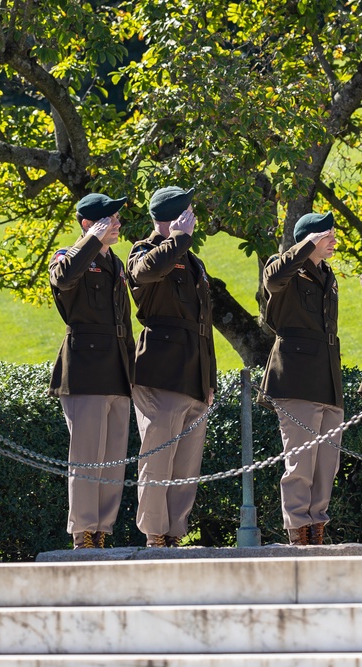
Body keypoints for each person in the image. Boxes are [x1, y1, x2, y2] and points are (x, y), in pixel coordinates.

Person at [127, 186, 217, 548]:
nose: (194, 216)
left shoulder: (194, 262)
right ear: (177, 216)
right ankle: (154, 536)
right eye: (189, 211)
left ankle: (174, 534)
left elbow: (204, 327)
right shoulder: (144, 250)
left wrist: (208, 379)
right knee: (158, 460)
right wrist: (178, 238)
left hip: (193, 374)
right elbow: (147, 272)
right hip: (160, 372)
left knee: (185, 467)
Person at [49, 193, 136, 549]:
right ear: (87, 223)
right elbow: (64, 279)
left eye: (116, 217)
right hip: (85, 369)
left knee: (113, 460)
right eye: (108, 218)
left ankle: (102, 530)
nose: (116, 223)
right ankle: (83, 531)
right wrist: (91, 241)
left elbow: (125, 323)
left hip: (116, 370)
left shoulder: (115, 263)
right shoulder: (67, 256)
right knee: (87, 458)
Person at [261, 211, 341, 546]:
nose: (334, 240)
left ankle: (316, 527)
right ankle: (298, 530)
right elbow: (273, 280)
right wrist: (303, 247)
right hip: (295, 378)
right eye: (327, 235)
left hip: (326, 379)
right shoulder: (284, 268)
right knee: (300, 462)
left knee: (327, 464)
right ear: (310, 239)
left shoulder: (327, 274)